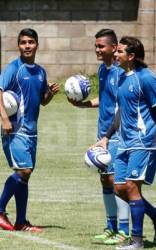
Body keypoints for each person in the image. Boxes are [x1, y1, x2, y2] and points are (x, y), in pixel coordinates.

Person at [0, 28, 60, 232]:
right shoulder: (14, 68)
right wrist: (4, 118)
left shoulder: (40, 72)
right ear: (18, 45)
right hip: (14, 130)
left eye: (30, 42)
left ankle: (21, 222)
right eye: (23, 42)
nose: (27, 46)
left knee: (25, 176)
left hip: (32, 132)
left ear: (37, 44)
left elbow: (42, 101)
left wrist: (50, 94)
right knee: (24, 171)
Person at [68, 29, 130, 244]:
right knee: (105, 180)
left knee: (116, 181)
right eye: (96, 46)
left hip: (116, 133)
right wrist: (84, 104)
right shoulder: (102, 70)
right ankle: (111, 227)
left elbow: (124, 106)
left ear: (114, 48)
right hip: (103, 133)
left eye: (101, 46)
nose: (97, 49)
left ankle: (124, 231)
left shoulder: (122, 72)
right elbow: (104, 100)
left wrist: (108, 135)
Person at [97, 36, 156, 249]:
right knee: (119, 187)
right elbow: (122, 111)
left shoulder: (147, 78)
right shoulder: (122, 77)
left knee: (131, 187)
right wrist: (106, 136)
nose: (115, 54)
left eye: (119, 51)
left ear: (131, 56)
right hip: (124, 141)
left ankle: (137, 240)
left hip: (143, 141)